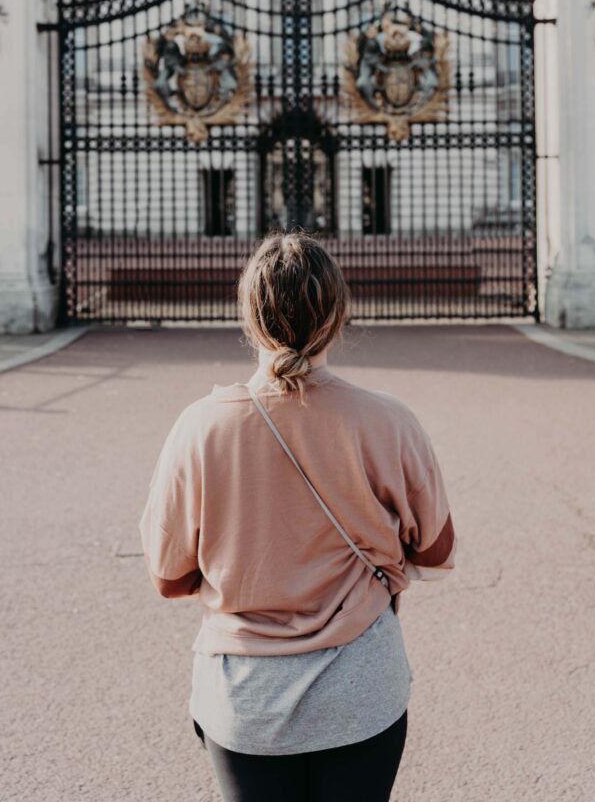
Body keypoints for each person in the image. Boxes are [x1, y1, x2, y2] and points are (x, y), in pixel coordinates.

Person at [139, 231, 456, 801]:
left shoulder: (200, 425)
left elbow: (168, 578)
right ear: (337, 317)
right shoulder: (387, 420)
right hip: (360, 687)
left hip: (245, 695)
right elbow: (435, 549)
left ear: (248, 317)